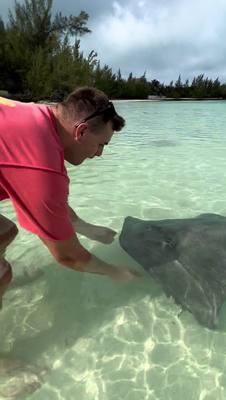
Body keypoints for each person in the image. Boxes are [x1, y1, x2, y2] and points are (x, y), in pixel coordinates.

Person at [0, 87, 140, 308]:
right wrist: (114, 271)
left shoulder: (40, 116)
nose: (99, 154)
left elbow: (51, 205)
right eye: (101, 144)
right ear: (81, 131)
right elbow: (68, 256)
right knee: (2, 274)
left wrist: (83, 226)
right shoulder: (41, 167)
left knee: (5, 231)